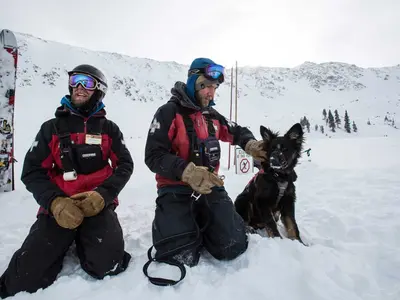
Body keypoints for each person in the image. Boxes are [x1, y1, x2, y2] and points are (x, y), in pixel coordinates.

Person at [0, 64, 134, 298]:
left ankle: (85, 239)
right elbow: (32, 172)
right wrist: (55, 202)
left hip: (96, 204)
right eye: (75, 81)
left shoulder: (109, 129)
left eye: (87, 83)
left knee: (107, 265)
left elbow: (125, 165)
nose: (79, 88)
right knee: (23, 279)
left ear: (99, 90)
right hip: (60, 207)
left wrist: (103, 195)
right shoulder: (51, 128)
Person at [143, 57, 267, 284]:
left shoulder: (211, 115)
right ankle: (182, 223)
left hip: (210, 187)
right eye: (206, 86)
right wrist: (187, 171)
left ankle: (205, 221)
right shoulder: (168, 112)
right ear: (193, 82)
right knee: (179, 255)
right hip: (175, 190)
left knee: (232, 246)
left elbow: (236, 130)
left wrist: (250, 144)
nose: (211, 92)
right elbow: (153, 155)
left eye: (215, 87)